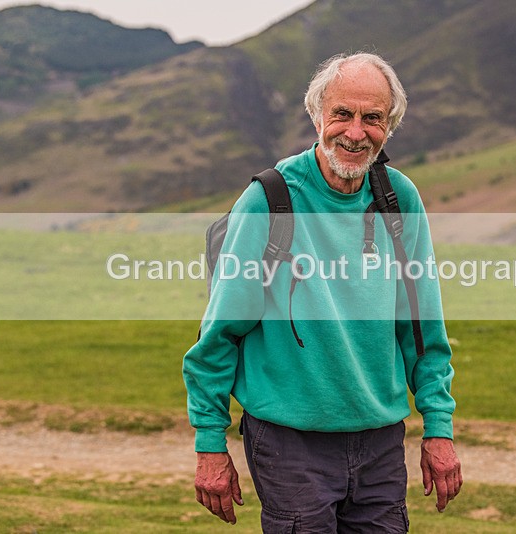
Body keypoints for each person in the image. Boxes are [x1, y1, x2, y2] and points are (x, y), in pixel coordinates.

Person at [182, 52, 461, 532]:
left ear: (389, 126)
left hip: (379, 441)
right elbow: (221, 331)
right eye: (342, 114)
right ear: (317, 116)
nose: (356, 132)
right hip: (289, 444)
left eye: (373, 118)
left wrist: (438, 428)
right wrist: (210, 441)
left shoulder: (399, 200)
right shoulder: (270, 200)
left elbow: (422, 329)